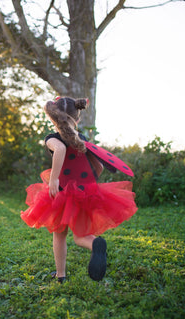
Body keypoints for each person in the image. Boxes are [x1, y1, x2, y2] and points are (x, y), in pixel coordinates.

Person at [21, 96, 137, 283]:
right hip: (84, 193)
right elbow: (98, 166)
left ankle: (61, 276)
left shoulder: (53, 138)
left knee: (59, 235)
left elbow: (59, 150)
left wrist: (54, 179)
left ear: (53, 118)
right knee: (80, 236)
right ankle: (95, 244)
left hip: (60, 192)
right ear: (78, 118)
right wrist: (88, 184)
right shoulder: (82, 139)